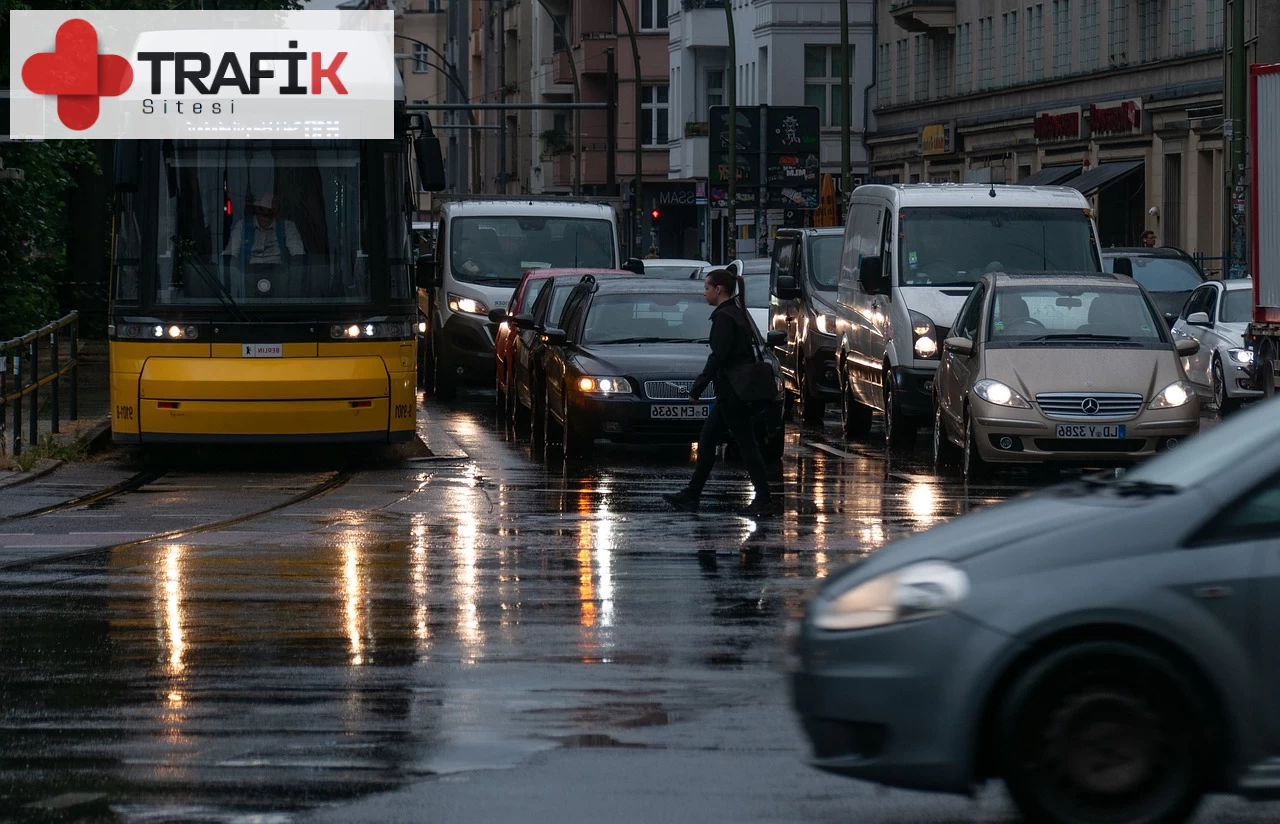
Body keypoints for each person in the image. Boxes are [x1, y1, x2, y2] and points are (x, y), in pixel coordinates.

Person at [662, 268, 777, 517]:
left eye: (706, 288)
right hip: (732, 391)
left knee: (745, 445)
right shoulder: (736, 313)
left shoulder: (726, 317)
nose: (704, 293)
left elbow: (719, 357)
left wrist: (697, 388)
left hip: (732, 393)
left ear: (718, 289)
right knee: (709, 441)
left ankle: (764, 498)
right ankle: (692, 494)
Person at [224, 193, 305, 295]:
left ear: (276, 211)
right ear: (257, 210)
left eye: (270, 214)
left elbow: (298, 255)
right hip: (249, 273)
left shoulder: (288, 227)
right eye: (263, 214)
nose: (267, 218)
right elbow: (230, 255)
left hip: (279, 273)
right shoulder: (242, 226)